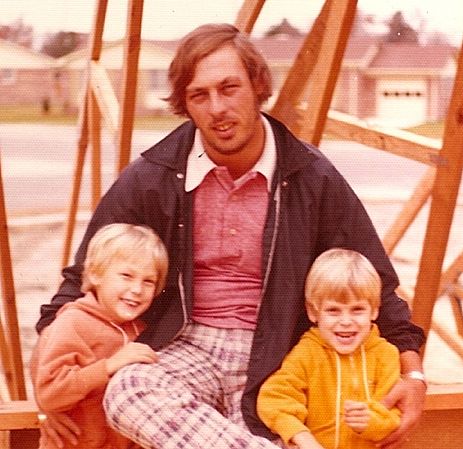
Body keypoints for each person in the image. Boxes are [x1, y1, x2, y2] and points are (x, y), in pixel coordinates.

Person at [36, 23, 426, 449]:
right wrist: (50, 404)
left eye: (229, 88)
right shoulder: (155, 176)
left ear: (258, 86)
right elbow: (77, 286)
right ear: (185, 105)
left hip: (276, 353)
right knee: (126, 390)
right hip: (185, 345)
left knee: (273, 419)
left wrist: (414, 373)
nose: (217, 108)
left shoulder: (311, 177)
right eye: (199, 95)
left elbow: (380, 285)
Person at [31, 223, 168, 449]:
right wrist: (108, 366)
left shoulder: (140, 331)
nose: (137, 289)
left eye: (148, 281)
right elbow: (49, 393)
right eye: (126, 275)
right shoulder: (73, 323)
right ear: (96, 274)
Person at [257, 248, 402, 449]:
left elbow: (393, 416)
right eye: (333, 310)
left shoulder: (386, 355)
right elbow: (273, 399)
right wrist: (303, 439)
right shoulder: (307, 352)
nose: (346, 321)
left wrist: (372, 421)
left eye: (357, 310)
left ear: (375, 310)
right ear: (313, 312)